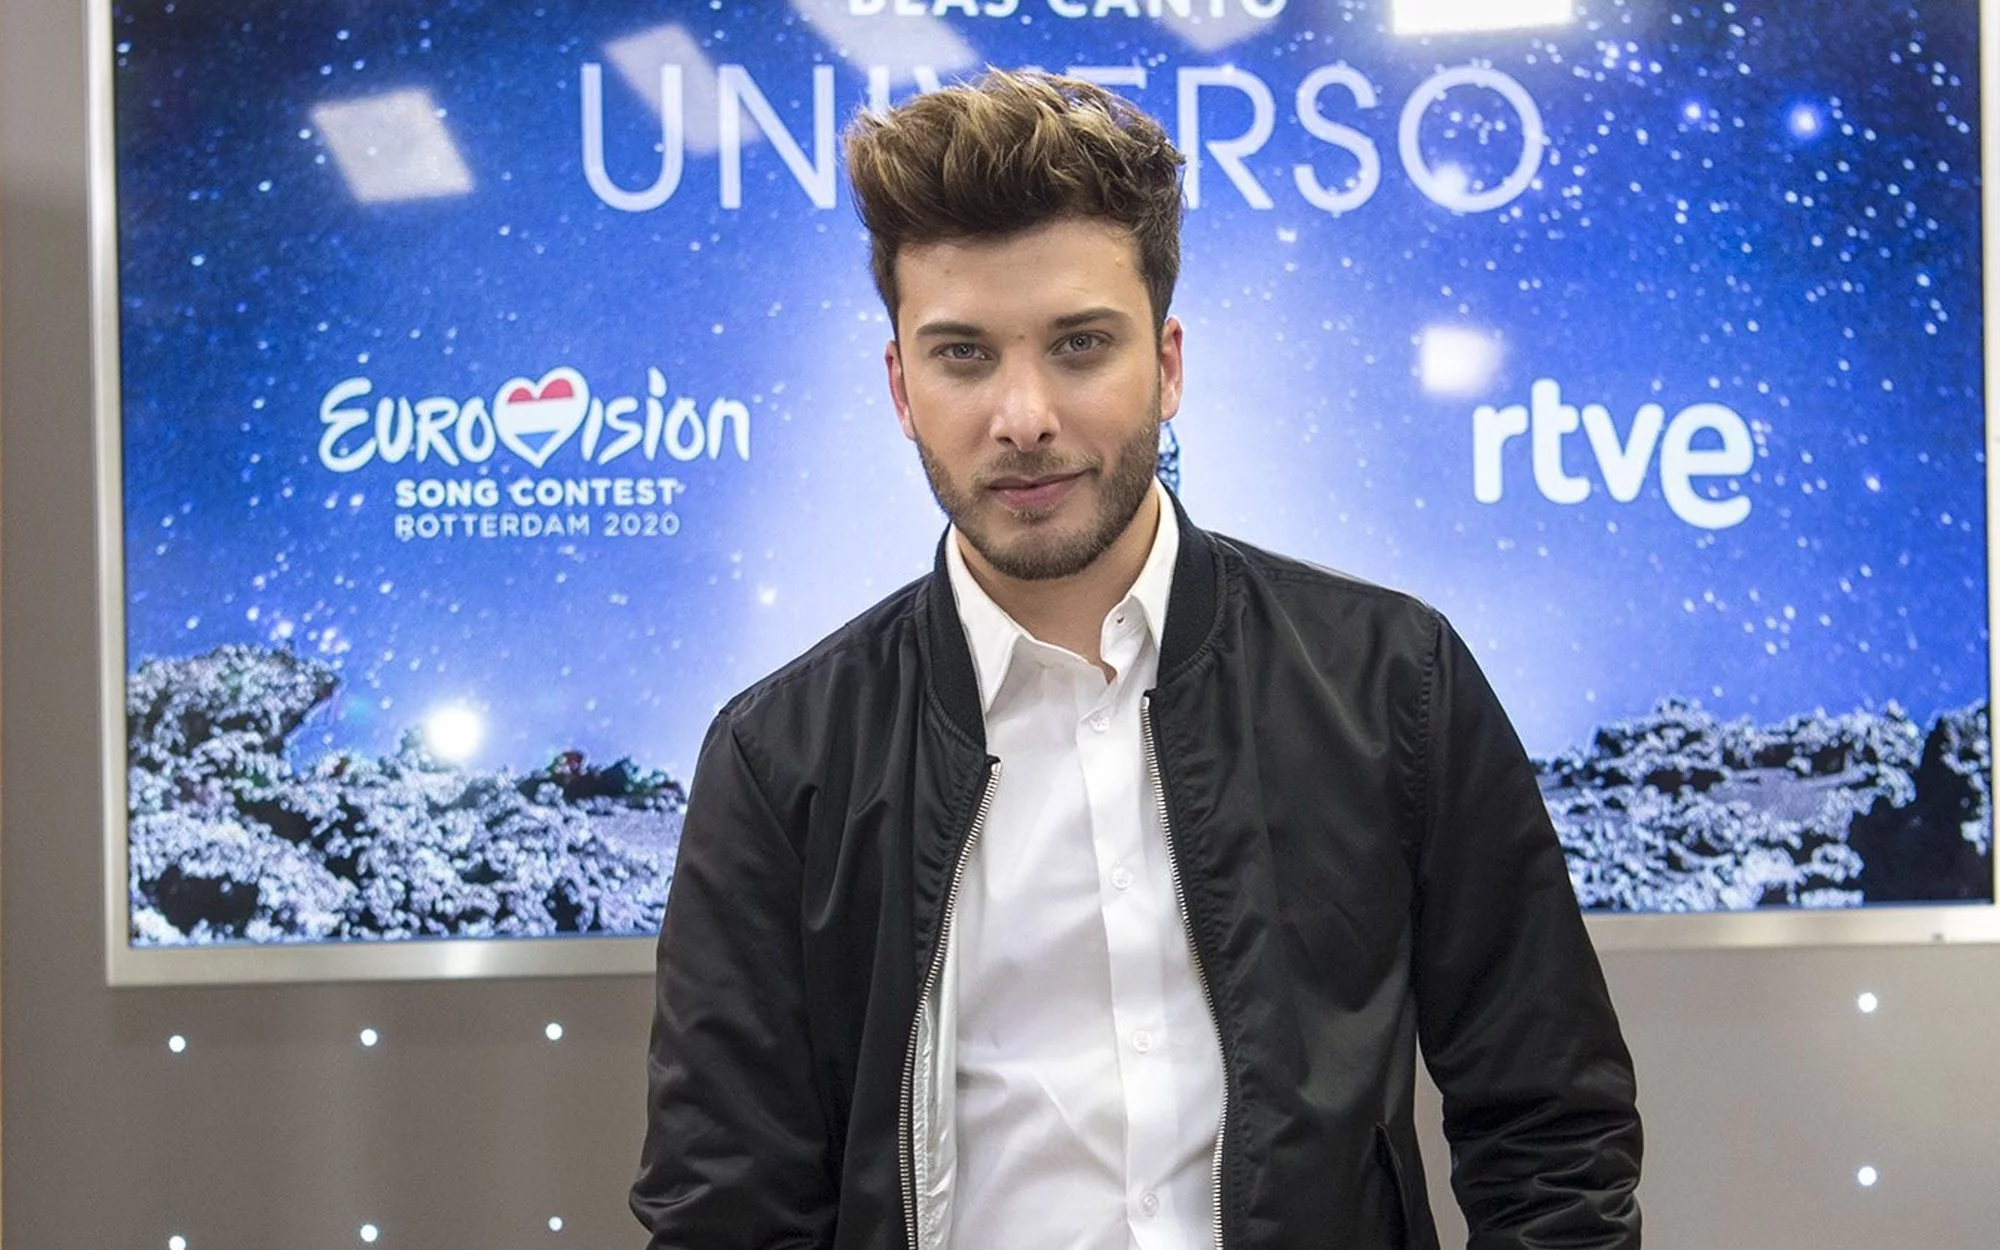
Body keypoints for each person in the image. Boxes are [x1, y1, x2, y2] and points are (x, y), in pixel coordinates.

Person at [632, 69, 1642, 1250]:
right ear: (900, 385)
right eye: (962, 354)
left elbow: (1550, 1131)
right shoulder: (779, 758)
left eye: (1078, 345)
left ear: (1166, 365)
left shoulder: (1389, 681)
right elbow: (725, 1210)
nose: (1022, 415)